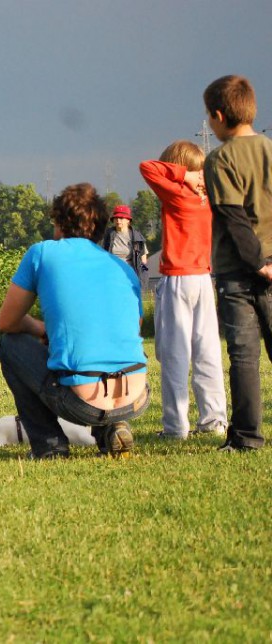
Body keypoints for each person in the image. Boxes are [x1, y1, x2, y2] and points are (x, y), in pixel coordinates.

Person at [0, 183, 149, 459]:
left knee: (9, 345)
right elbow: (132, 328)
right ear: (103, 225)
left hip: (82, 402)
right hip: (136, 396)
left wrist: (39, 328)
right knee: (110, 346)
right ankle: (112, 427)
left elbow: (7, 322)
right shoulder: (123, 268)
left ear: (58, 221)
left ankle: (49, 446)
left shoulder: (42, 253)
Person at [202, 74, 272, 452]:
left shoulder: (220, 159)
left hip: (239, 272)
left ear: (217, 115)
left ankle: (246, 438)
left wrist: (258, 264)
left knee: (244, 357)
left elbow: (232, 217)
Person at [140, 142, 227, 440]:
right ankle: (214, 421)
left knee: (175, 356)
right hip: (204, 279)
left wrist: (182, 176)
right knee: (208, 352)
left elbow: (147, 167)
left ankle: (176, 427)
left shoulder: (176, 192)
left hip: (177, 279)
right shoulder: (208, 199)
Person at [101, 204, 149, 290]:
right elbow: (103, 255)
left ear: (128, 221)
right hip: (112, 275)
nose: (118, 220)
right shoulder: (108, 235)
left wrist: (143, 277)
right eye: (116, 218)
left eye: (121, 218)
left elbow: (143, 261)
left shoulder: (137, 237)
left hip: (130, 275)